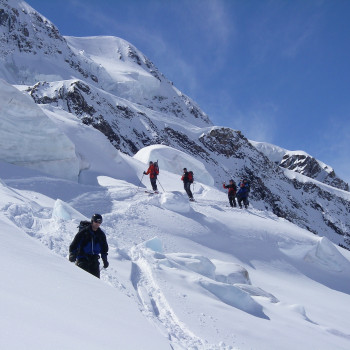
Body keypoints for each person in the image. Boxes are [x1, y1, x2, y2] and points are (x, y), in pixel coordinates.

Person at [69, 214, 109, 278]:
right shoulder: (84, 232)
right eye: (96, 221)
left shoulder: (101, 234)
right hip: (83, 259)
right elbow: (74, 245)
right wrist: (72, 254)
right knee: (83, 279)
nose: (97, 224)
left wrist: (105, 260)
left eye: (99, 222)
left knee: (96, 282)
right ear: (92, 221)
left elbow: (104, 249)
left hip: (94, 260)